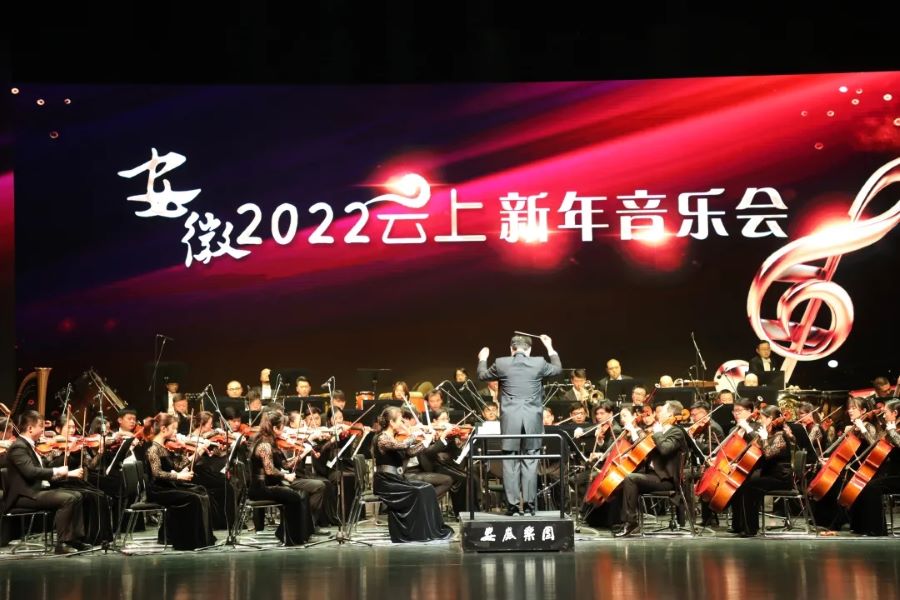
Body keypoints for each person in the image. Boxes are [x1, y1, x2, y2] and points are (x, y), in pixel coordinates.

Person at [477, 333, 563, 516]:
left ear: (511, 349)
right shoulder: (538, 362)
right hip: (532, 420)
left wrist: (482, 358)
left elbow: (482, 375)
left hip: (511, 421)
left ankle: (514, 508)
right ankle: (530, 507)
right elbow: (557, 369)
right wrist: (549, 347)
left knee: (510, 463)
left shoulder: (501, 363)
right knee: (530, 462)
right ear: (529, 349)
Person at [2, 410, 90, 554]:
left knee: (77, 495)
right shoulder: (19, 447)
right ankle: (62, 544)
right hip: (24, 495)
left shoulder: (29, 446)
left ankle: (74, 539)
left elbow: (43, 471)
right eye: (41, 426)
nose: (43, 431)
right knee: (68, 499)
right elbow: (30, 472)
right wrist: (58, 470)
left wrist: (67, 473)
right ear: (30, 428)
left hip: (35, 490)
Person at [371, 407, 453, 543]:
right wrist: (414, 435)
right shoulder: (382, 438)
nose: (402, 423)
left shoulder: (393, 437)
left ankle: (428, 529)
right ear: (392, 422)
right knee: (419, 491)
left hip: (396, 479)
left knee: (427, 488)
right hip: (386, 482)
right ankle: (416, 532)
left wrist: (426, 441)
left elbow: (410, 452)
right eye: (400, 420)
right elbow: (402, 445)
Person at [615, 401, 689, 537]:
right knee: (621, 479)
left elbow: (665, 449)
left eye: (662, 411)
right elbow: (646, 451)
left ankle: (631, 523)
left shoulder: (676, 432)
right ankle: (620, 521)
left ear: (670, 415)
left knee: (631, 479)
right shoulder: (659, 431)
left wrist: (658, 433)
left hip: (666, 480)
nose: (658, 414)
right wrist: (630, 454)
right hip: (653, 476)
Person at [143, 413, 215, 550]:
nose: (176, 432)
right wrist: (178, 477)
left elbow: (178, 466)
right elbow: (157, 473)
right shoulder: (153, 449)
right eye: (174, 428)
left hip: (168, 486)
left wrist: (194, 451)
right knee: (193, 498)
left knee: (201, 491)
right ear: (163, 429)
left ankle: (203, 538)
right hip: (158, 490)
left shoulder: (164, 448)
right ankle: (187, 540)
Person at [248, 411, 315, 545]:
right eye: (282, 427)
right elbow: (269, 470)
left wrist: (302, 454)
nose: (284, 430)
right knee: (294, 497)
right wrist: (286, 476)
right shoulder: (264, 445)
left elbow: (284, 464)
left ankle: (293, 533)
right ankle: (290, 538)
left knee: (301, 494)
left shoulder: (270, 442)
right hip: (261, 488)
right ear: (275, 428)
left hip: (268, 485)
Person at [728, 403, 793, 537]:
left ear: (770, 419)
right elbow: (759, 456)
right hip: (770, 475)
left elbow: (768, 454)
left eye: (762, 418)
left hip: (781, 478)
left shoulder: (780, 436)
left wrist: (763, 438)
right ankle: (742, 526)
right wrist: (738, 464)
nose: (760, 421)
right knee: (744, 485)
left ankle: (750, 529)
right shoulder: (770, 434)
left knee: (749, 487)